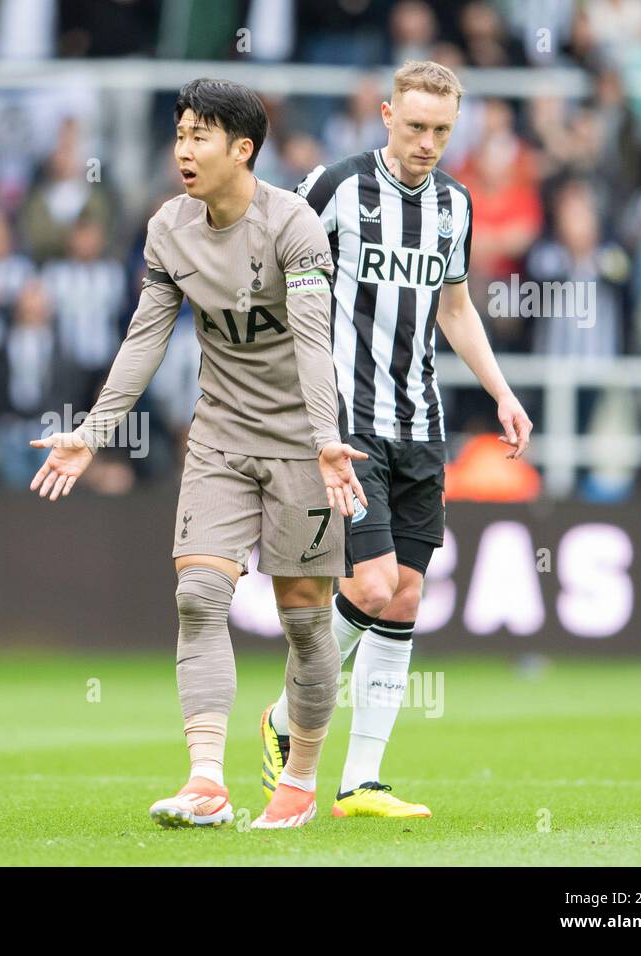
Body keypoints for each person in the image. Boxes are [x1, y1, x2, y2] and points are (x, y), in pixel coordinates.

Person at [29, 78, 367, 830]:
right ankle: (206, 780)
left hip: (301, 445)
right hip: (219, 434)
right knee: (197, 596)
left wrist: (325, 439)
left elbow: (313, 342)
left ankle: (301, 780)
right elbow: (146, 335)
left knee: (306, 621)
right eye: (180, 133)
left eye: (201, 136)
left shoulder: (295, 227)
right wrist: (93, 431)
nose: (184, 149)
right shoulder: (167, 229)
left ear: (243, 149)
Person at [264, 60, 534, 819]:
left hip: (422, 423)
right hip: (348, 424)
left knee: (406, 594)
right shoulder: (335, 186)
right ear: (386, 115)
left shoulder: (455, 204)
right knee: (373, 584)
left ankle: (360, 781)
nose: (427, 143)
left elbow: (454, 308)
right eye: (415, 126)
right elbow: (277, 272)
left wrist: (501, 392)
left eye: (443, 131)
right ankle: (284, 721)